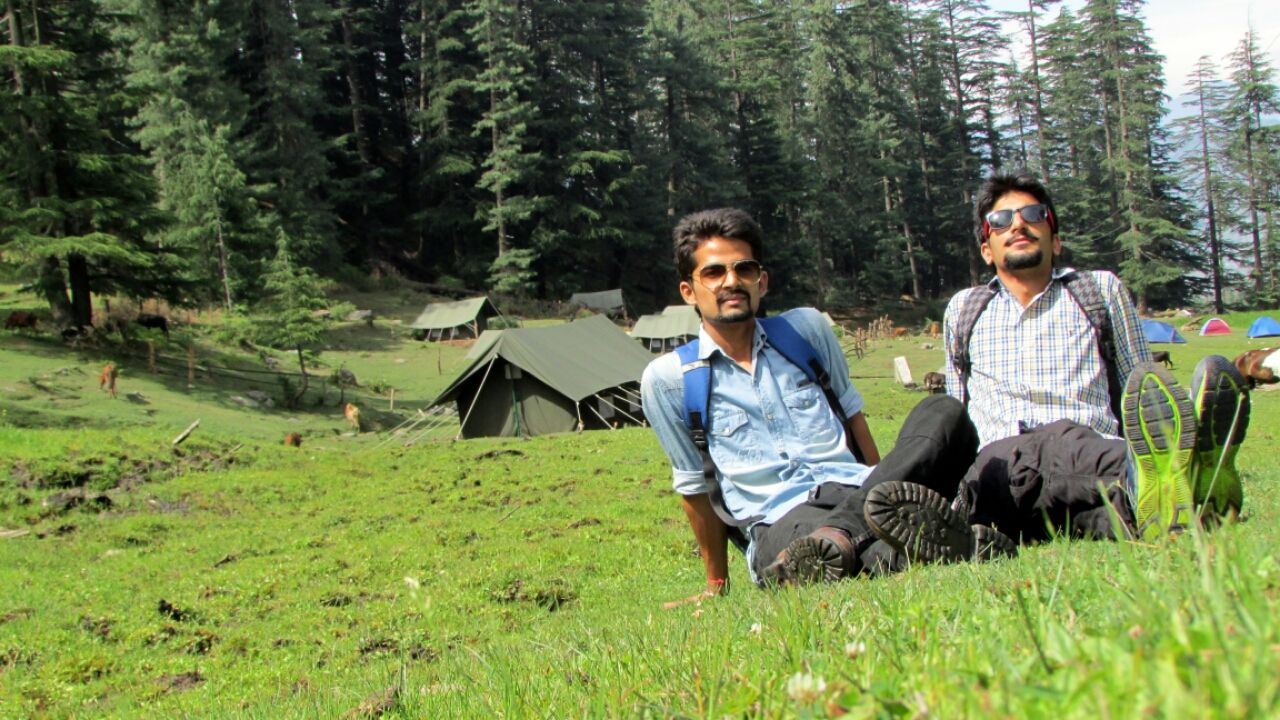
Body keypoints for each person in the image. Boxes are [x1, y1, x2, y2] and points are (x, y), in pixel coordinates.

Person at [640, 208, 1014, 602]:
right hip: (780, 520)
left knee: (945, 414)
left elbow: (854, 419)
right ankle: (946, 544)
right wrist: (716, 586)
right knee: (817, 548)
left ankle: (852, 538)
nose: (731, 282)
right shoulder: (669, 380)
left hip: (859, 490)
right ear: (688, 291)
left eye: (743, 269)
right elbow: (694, 489)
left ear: (761, 281)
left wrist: (882, 484)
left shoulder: (806, 330)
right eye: (714, 273)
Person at [865, 172, 1251, 547]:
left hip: (1086, 459)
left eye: (1033, 215)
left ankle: (1176, 503)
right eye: (1000, 221)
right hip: (999, 468)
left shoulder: (1098, 290)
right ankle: (1179, 472)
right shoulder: (966, 309)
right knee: (1048, 447)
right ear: (987, 249)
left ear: (1056, 238)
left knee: (1100, 515)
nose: (1018, 226)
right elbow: (958, 411)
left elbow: (1143, 388)